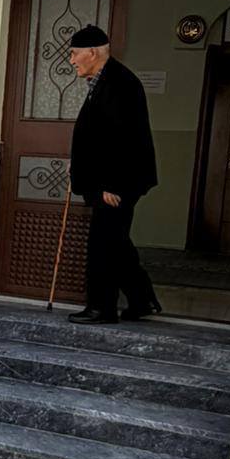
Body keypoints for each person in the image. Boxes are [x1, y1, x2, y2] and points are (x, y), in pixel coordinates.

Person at [67, 24, 160, 325]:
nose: (71, 61)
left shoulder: (120, 83)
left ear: (92, 52)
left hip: (116, 183)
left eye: (74, 54)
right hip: (111, 180)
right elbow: (98, 135)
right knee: (116, 240)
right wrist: (79, 163)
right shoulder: (105, 79)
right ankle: (142, 299)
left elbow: (124, 140)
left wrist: (111, 185)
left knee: (104, 243)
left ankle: (102, 308)